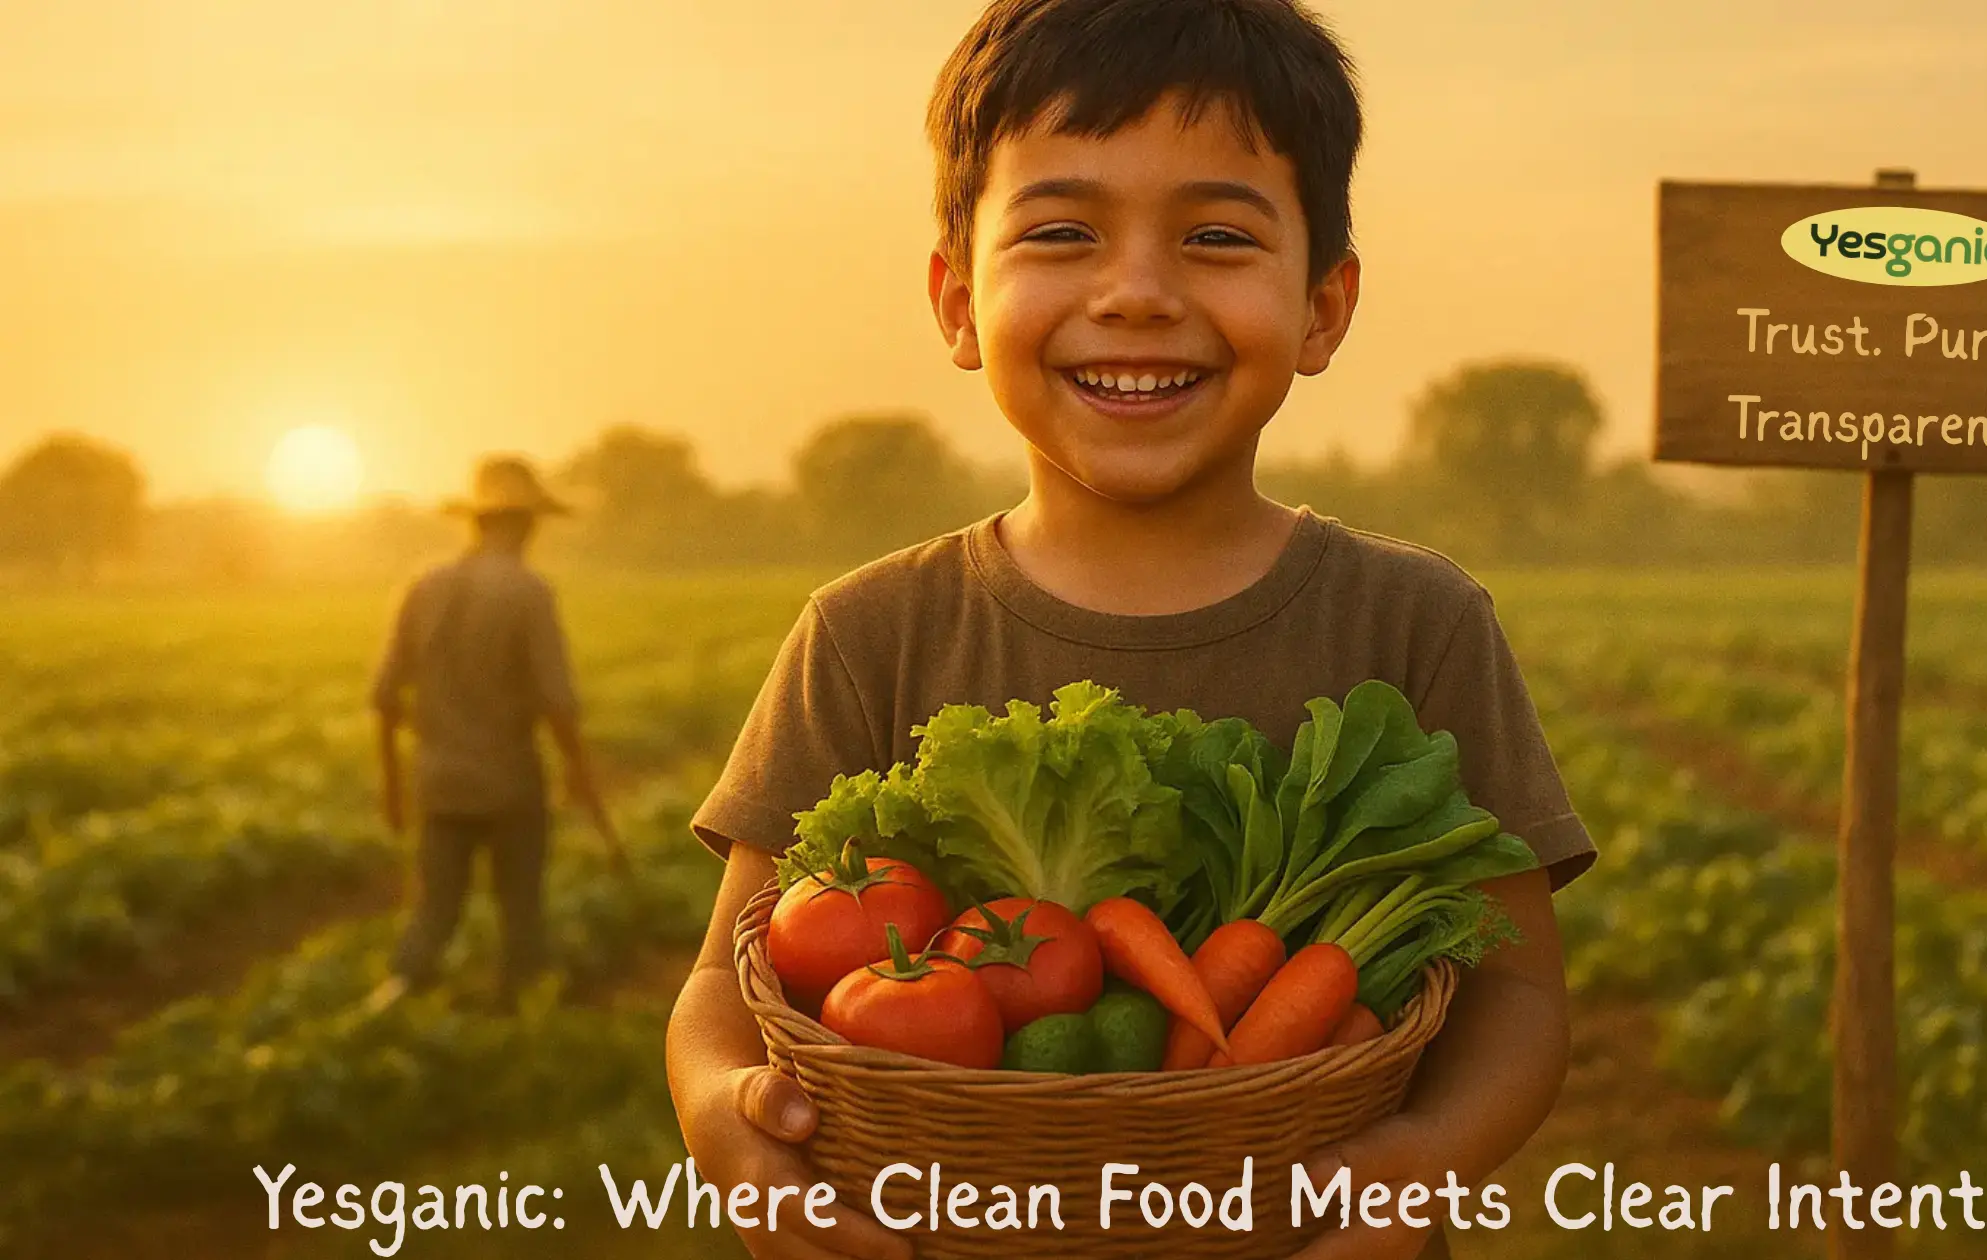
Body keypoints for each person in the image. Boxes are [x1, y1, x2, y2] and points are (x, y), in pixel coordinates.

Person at [666, 2, 1596, 1257]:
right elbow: (728, 981)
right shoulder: (866, 632)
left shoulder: (1415, 620)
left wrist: (1421, 1163)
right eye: (1060, 232)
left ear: (1322, 305)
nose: (1137, 294)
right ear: (955, 302)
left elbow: (1518, 997)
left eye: (1216, 236)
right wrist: (730, 1122)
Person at [369, 454, 625, 1009]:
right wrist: (580, 777)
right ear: (527, 524)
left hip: (438, 783)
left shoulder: (423, 585)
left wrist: (392, 786)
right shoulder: (528, 592)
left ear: (476, 521)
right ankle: (517, 1016)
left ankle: (395, 998)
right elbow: (558, 703)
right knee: (521, 912)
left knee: (434, 911)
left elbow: (385, 697)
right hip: (511, 785)